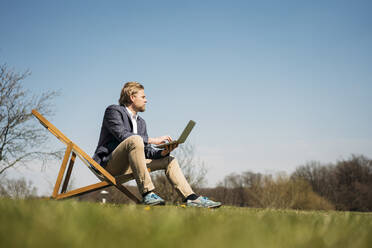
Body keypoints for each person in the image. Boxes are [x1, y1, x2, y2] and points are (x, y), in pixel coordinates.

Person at [92, 82, 221, 208]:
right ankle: (147, 193)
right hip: (109, 166)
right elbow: (122, 135)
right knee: (135, 140)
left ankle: (191, 198)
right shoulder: (113, 111)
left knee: (169, 160)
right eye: (143, 97)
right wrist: (154, 140)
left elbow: (146, 151)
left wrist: (163, 152)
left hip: (132, 164)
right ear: (132, 97)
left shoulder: (141, 122)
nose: (146, 100)